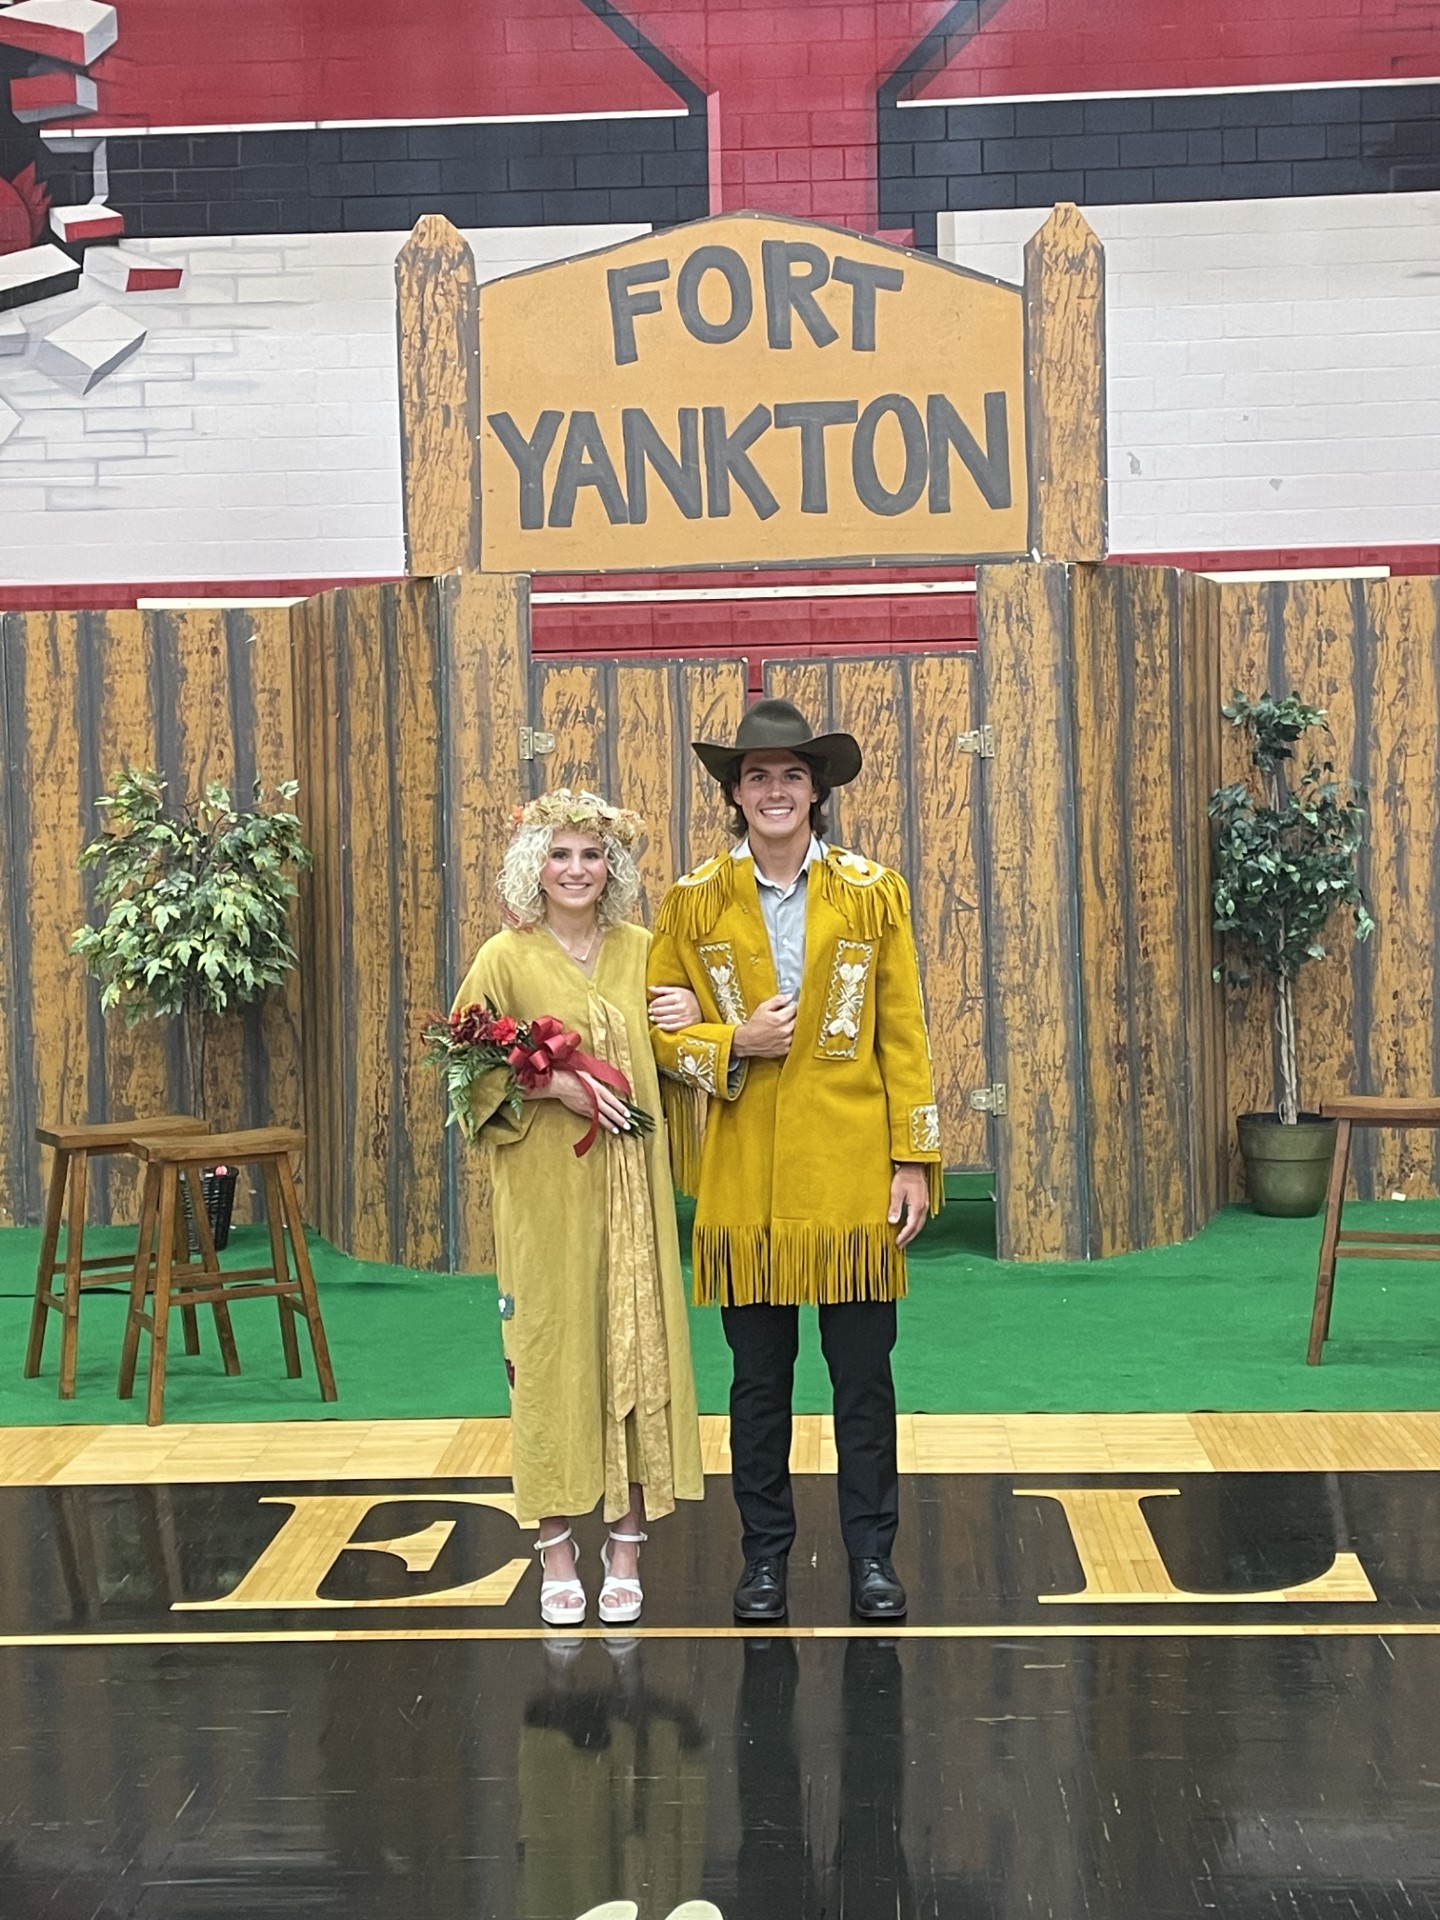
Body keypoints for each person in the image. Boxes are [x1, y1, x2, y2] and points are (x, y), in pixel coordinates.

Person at [647, 700, 943, 1622]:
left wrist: (913, 1161)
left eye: (792, 776)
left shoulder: (870, 891)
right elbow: (657, 1035)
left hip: (853, 1177)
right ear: (735, 795)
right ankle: (764, 1559)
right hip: (748, 1187)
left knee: (864, 1382)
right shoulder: (692, 902)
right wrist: (731, 1041)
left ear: (818, 792)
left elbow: (905, 1036)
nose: (775, 791)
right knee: (757, 1386)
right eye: (757, 777)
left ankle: (871, 1559)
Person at [452, 789, 704, 1628]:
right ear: (534, 864)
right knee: (553, 1350)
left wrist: (693, 1017)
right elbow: (464, 1069)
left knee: (632, 1344)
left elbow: (678, 1052)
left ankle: (626, 1540)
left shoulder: (644, 950)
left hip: (632, 1190)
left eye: (592, 855)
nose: (576, 870)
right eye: (559, 854)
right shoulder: (503, 956)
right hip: (544, 1194)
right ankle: (556, 1543)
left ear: (614, 867)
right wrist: (552, 1081)